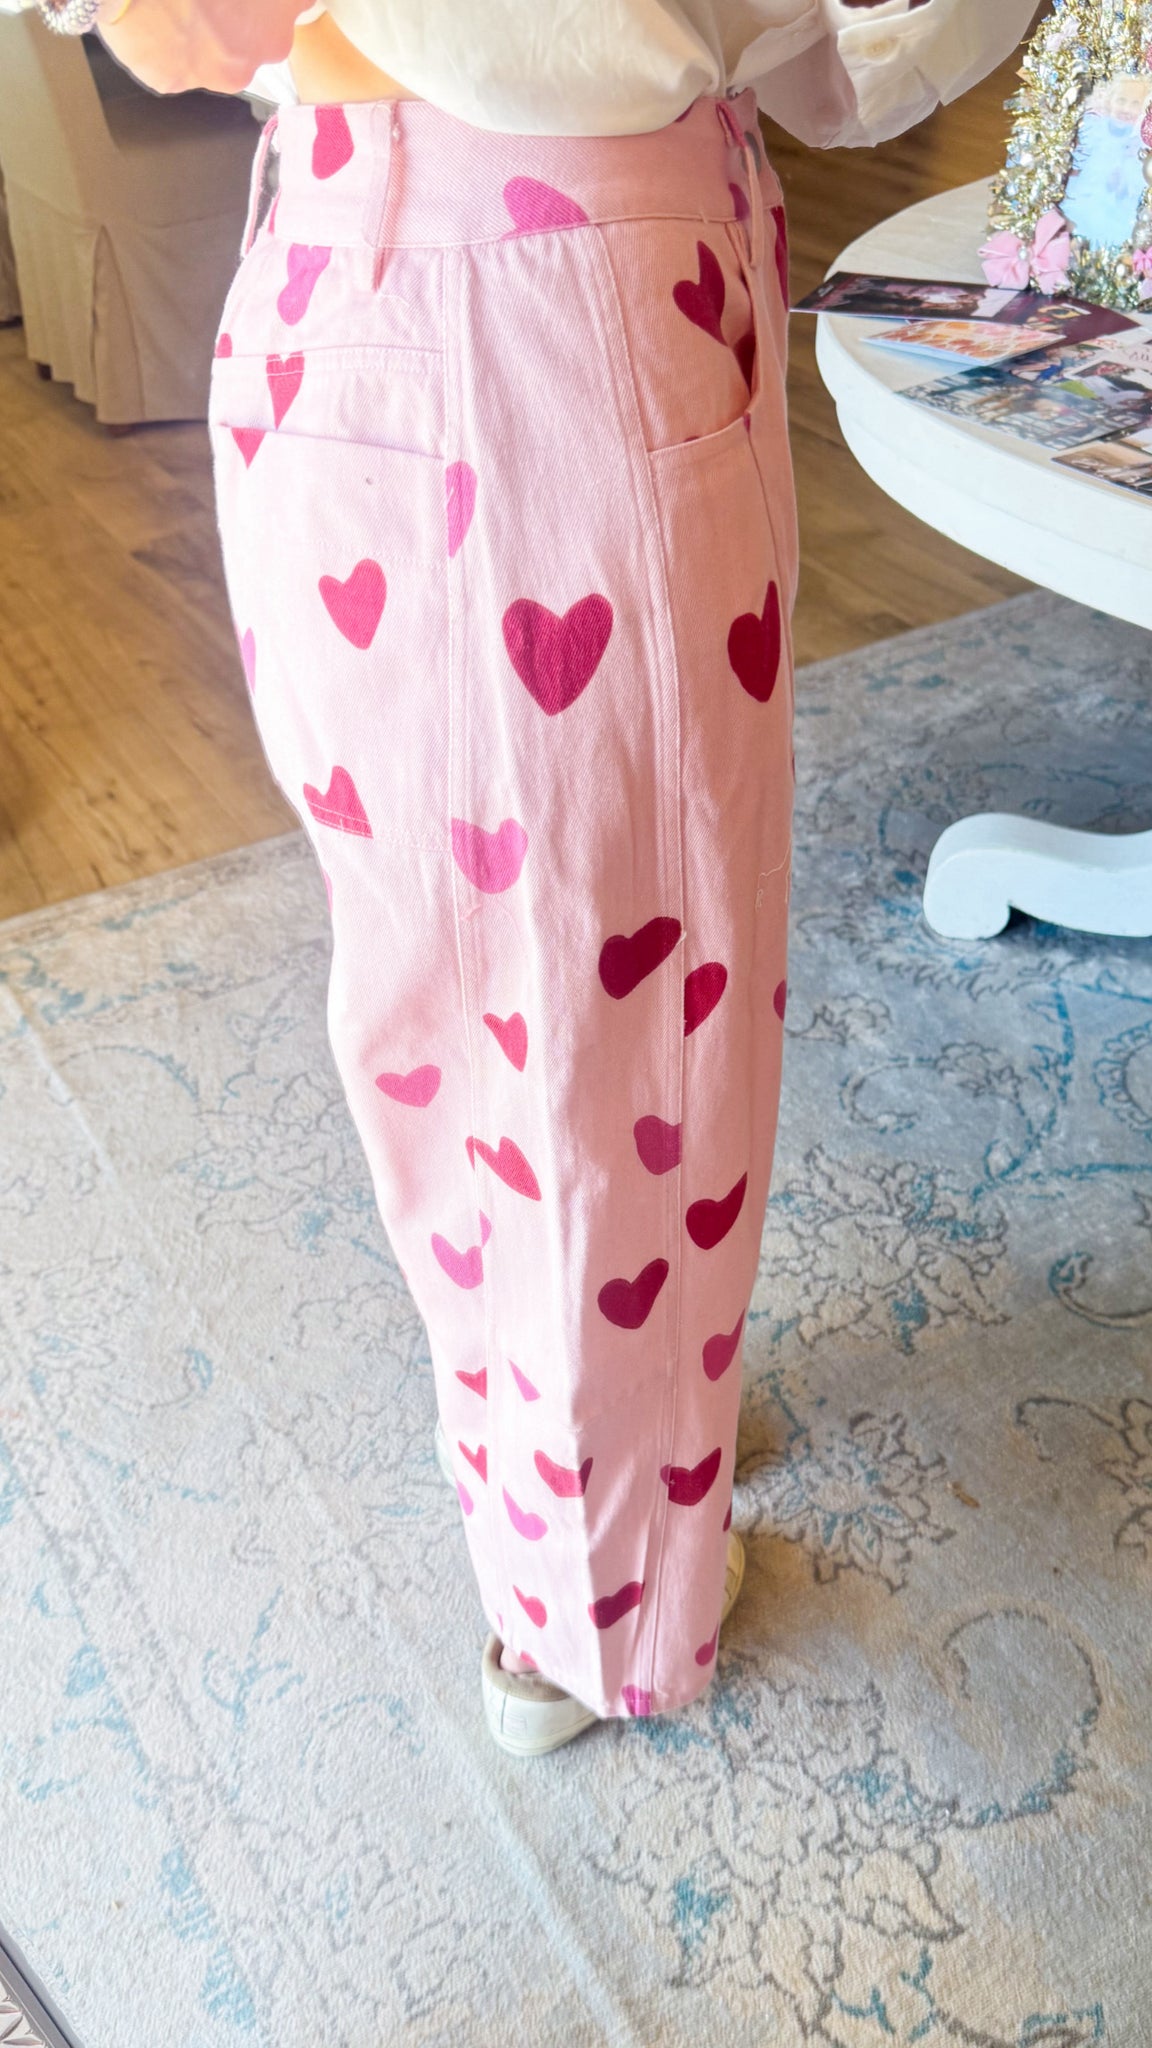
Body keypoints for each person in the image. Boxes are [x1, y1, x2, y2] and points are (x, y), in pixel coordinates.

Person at [42, 0, 1038, 1756]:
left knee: (475, 980)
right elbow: (881, 28)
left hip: (340, 244)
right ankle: (596, 1599)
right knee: (617, 984)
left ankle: (630, 1432)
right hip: (560, 297)